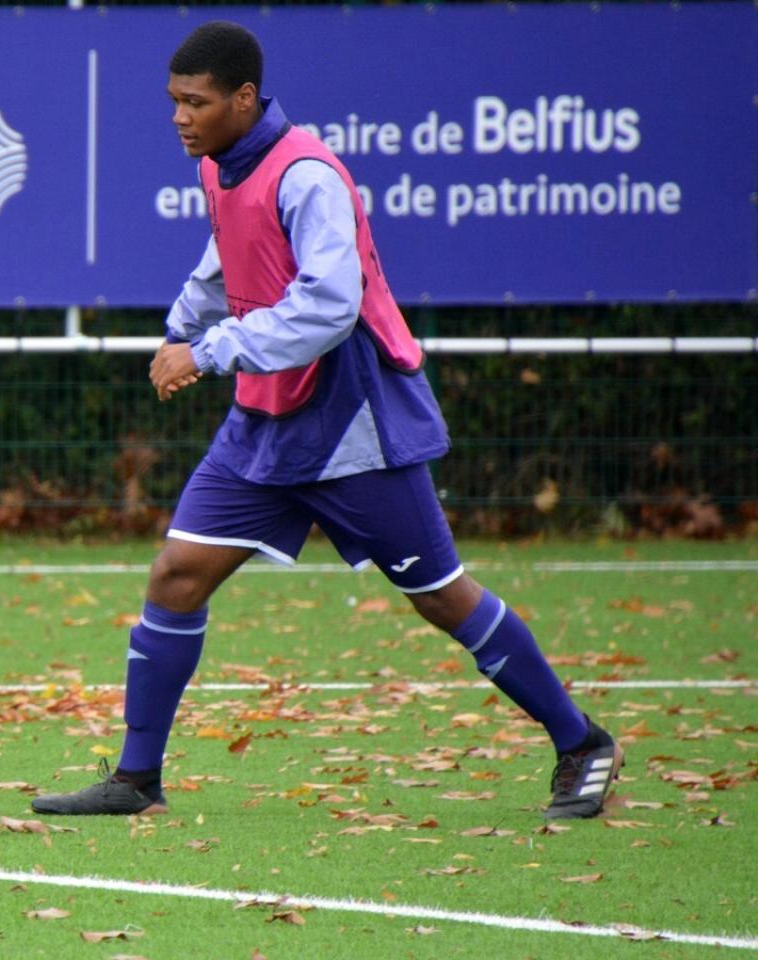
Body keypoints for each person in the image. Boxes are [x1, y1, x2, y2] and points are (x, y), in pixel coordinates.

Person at [31, 21, 620, 820]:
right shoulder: (221, 166)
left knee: (441, 596)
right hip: (264, 420)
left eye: (195, 102)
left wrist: (208, 354)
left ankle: (581, 741)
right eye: (174, 102)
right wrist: (183, 325)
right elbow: (226, 257)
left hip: (351, 424)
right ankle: (137, 779)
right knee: (175, 576)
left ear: (244, 99)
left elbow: (328, 307)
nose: (180, 117)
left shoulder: (308, 175)